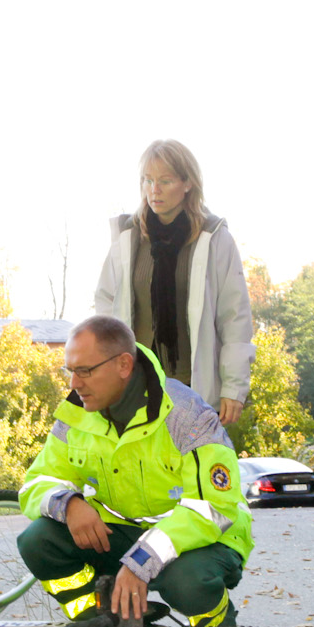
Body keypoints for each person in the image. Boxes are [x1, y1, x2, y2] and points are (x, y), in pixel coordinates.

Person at [15, 315, 253, 627]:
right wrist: (69, 504)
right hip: (124, 534)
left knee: (186, 581)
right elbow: (36, 482)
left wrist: (141, 561)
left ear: (124, 365)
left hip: (205, 538)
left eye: (85, 371)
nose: (74, 384)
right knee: (37, 540)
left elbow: (212, 509)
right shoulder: (75, 414)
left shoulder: (187, 416)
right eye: (70, 372)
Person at [93, 138, 254, 428]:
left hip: (193, 389)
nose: (154, 190)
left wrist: (233, 388)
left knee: (191, 471)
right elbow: (105, 312)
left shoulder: (214, 238)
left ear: (187, 183)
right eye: (147, 180)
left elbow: (235, 319)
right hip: (135, 387)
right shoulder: (127, 238)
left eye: (165, 181)